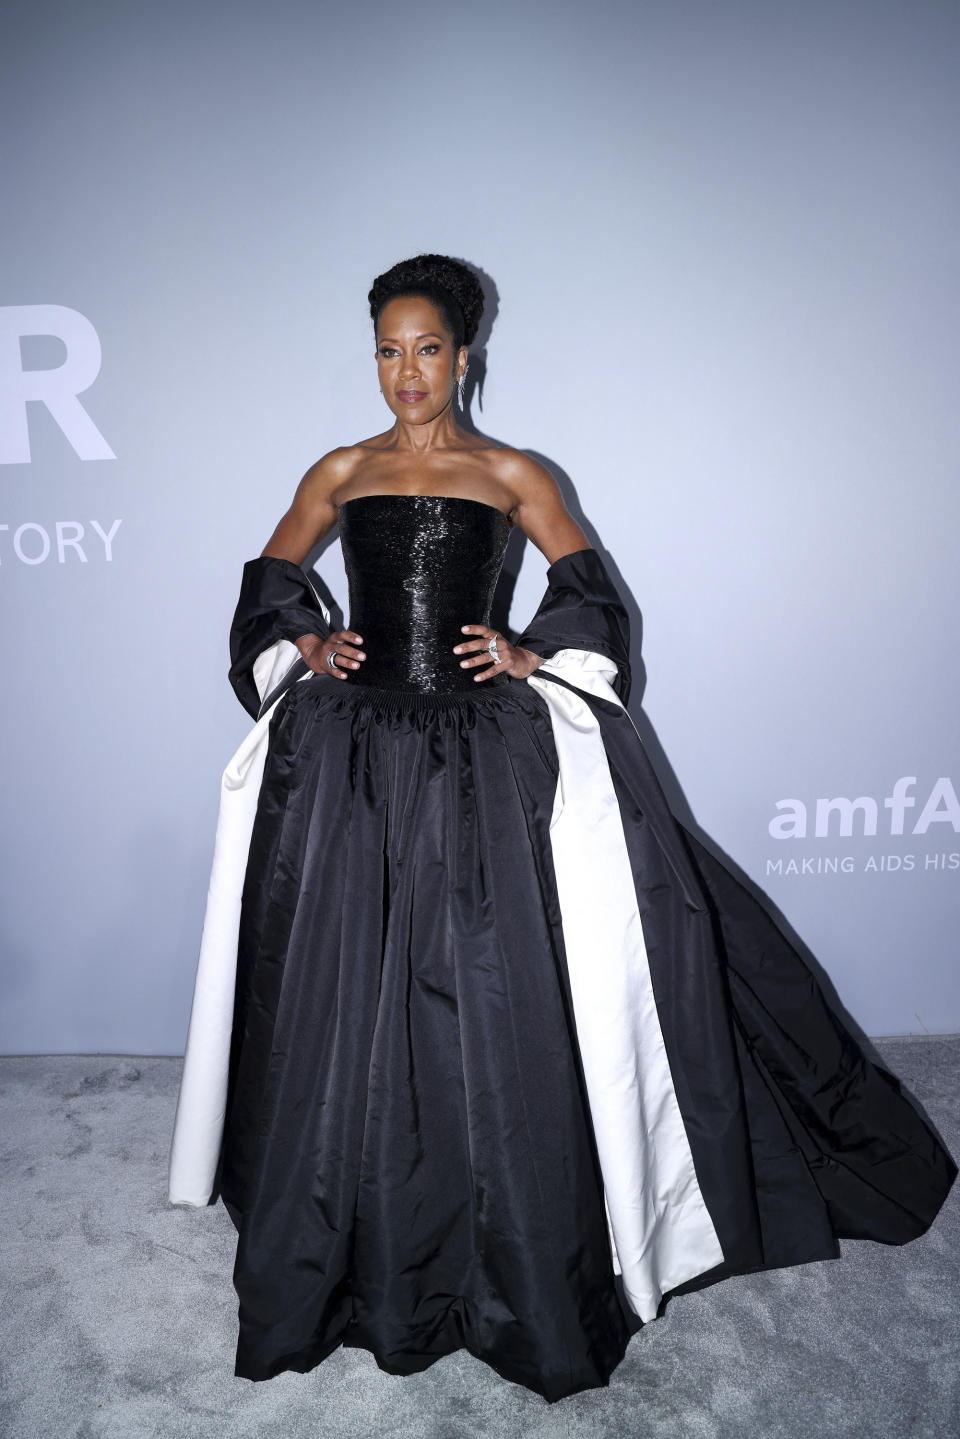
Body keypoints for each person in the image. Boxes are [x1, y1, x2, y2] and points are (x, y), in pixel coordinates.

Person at [167, 253, 957, 1404]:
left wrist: (536, 652)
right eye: (387, 349)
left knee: (495, 987)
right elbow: (270, 575)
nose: (406, 372)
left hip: (484, 755)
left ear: (465, 353)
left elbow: (592, 592)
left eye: (426, 347)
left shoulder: (513, 470)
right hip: (362, 753)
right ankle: (356, 1221)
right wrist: (304, 642)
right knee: (352, 982)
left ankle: (518, 1241)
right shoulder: (339, 467)